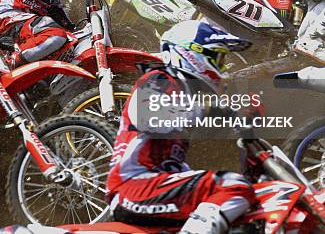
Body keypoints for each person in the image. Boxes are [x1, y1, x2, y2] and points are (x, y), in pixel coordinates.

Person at [107, 20, 256, 234]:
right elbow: (148, 119)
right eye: (219, 59)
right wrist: (215, 109)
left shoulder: (183, 95)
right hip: (134, 186)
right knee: (231, 186)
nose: (223, 68)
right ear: (190, 53)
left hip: (153, 187)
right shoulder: (158, 79)